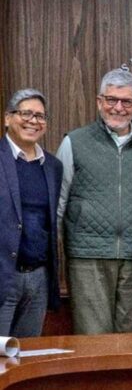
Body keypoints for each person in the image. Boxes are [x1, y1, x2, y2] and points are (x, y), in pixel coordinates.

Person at [56, 70, 132, 335]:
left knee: (131, 339)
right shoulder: (75, 142)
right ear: (98, 101)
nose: (118, 107)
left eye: (126, 101)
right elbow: (58, 204)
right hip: (87, 257)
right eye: (111, 99)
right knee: (93, 340)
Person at [0, 89, 63, 337]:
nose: (33, 121)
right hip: (4, 275)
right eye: (26, 113)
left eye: (40, 116)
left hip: (38, 279)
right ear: (7, 118)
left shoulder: (53, 166)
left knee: (27, 360)